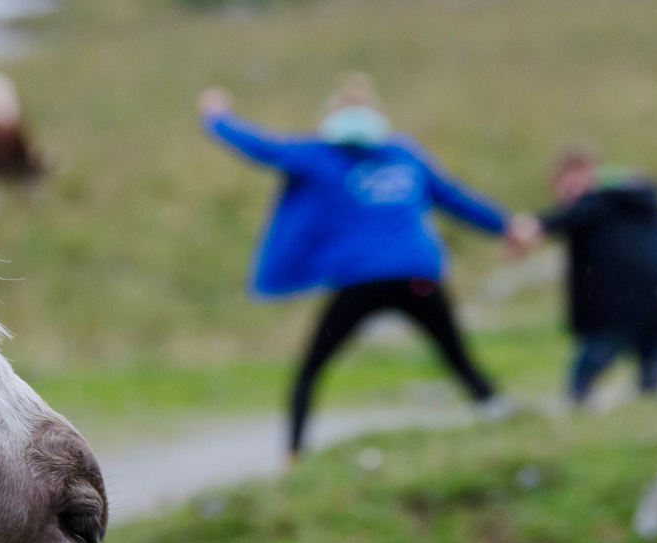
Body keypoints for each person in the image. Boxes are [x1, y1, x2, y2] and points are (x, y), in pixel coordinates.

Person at [199, 74, 510, 457]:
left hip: (361, 282)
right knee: (458, 358)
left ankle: (294, 455)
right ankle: (500, 415)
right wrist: (507, 226)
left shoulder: (321, 155)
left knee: (311, 371)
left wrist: (216, 116)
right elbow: (455, 198)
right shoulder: (403, 154)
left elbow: (260, 147)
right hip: (417, 276)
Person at [511, 147, 657, 403]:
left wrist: (535, 226)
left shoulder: (600, 200)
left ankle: (580, 408)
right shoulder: (639, 195)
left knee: (583, 377)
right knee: (651, 382)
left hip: (624, 308)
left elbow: (575, 213)